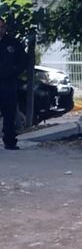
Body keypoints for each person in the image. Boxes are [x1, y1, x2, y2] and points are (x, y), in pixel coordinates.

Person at [0, 17, 27, 151]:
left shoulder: (12, 43)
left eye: (1, 27)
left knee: (9, 113)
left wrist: (13, 71)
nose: (0, 30)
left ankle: (10, 141)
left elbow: (23, 61)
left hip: (8, 83)